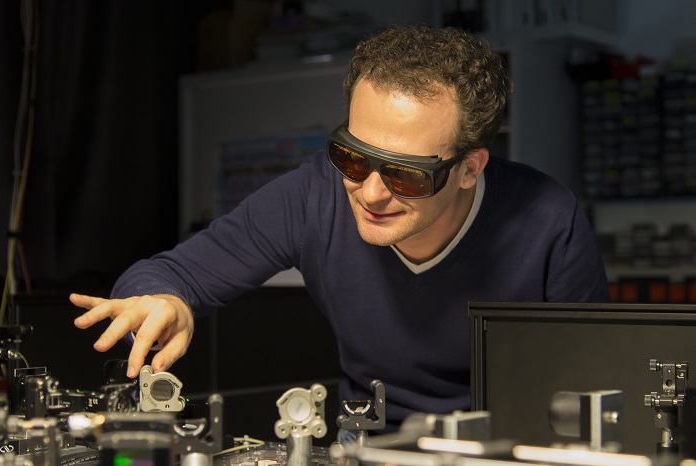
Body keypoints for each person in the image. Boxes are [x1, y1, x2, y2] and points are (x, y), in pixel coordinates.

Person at [70, 24, 610, 433]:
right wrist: (168, 302)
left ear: (470, 168)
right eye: (352, 157)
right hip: (365, 444)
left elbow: (598, 390)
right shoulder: (312, 196)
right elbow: (165, 275)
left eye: (406, 173)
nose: (371, 192)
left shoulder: (547, 221)